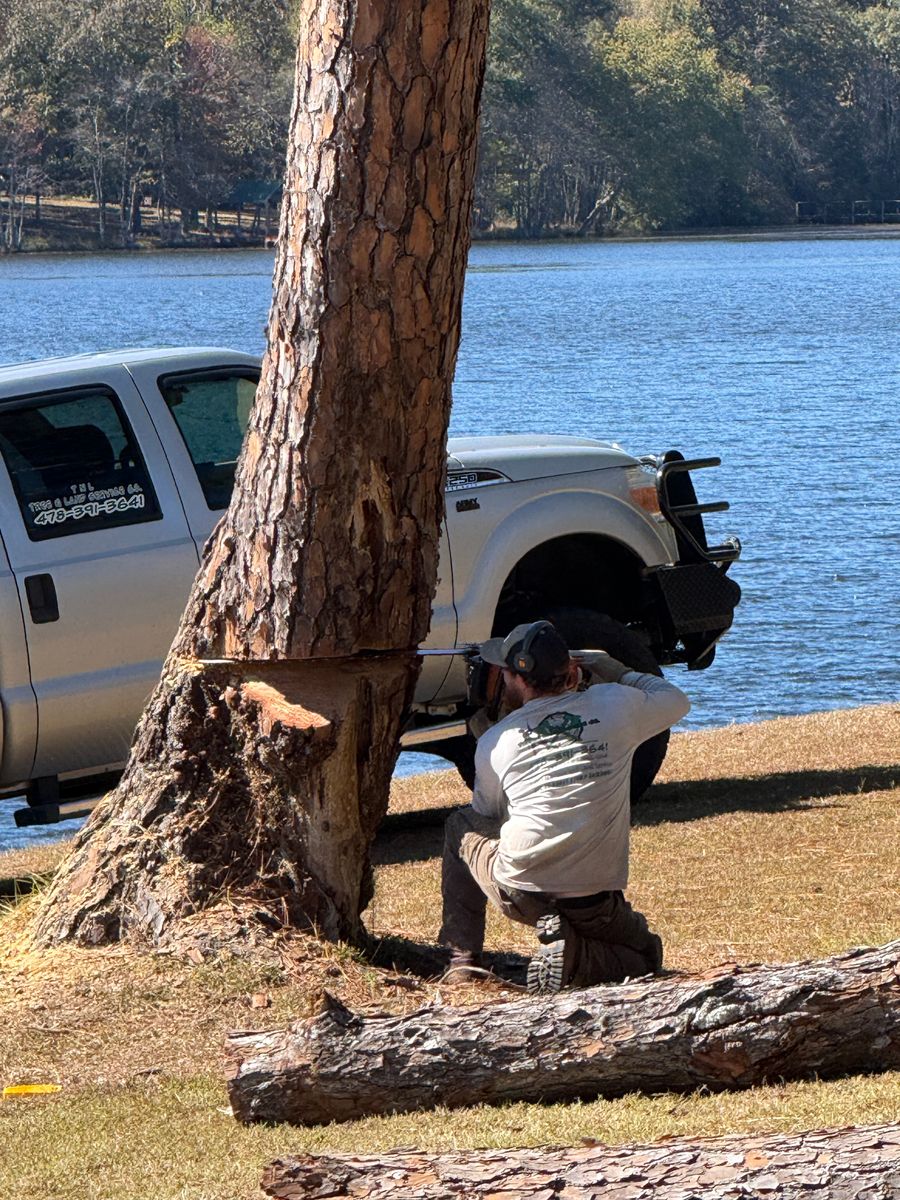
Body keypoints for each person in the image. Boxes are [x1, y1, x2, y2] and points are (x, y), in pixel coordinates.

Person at [439, 620, 691, 993]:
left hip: (522, 893)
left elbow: (486, 817)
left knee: (460, 825)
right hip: (595, 901)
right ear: (573, 672)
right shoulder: (615, 705)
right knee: (645, 957)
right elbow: (675, 700)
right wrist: (615, 670)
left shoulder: (496, 740)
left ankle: (463, 964)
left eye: (504, 672)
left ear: (517, 678)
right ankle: (574, 953)